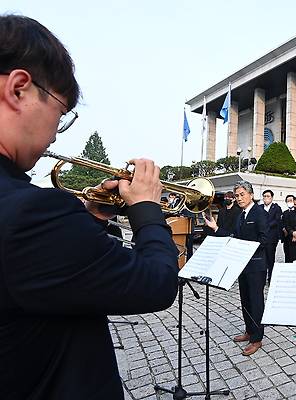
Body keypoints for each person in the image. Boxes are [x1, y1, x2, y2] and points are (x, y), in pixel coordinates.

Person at [0, 15, 179, 400]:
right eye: (60, 115)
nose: (54, 133)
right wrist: (147, 208)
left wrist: (94, 217)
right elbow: (158, 283)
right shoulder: (32, 214)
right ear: (19, 89)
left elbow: (44, 275)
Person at [204, 181, 267, 356]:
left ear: (251, 195)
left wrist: (246, 247)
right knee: (245, 300)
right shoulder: (241, 215)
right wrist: (215, 228)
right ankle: (249, 331)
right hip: (242, 265)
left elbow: (266, 239)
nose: (239, 198)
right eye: (237, 195)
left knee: (255, 302)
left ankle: (257, 339)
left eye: (242, 195)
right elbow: (234, 237)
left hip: (256, 265)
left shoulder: (259, 213)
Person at [259, 189, 282, 283]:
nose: (266, 198)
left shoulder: (276, 208)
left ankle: (271, 278)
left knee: (270, 258)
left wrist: (265, 225)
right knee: (262, 259)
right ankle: (262, 278)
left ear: (272, 198)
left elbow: (276, 221)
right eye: (264, 196)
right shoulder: (259, 207)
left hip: (271, 238)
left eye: (268, 196)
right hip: (261, 238)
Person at [281, 194, 295, 262]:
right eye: (288, 201)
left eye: (291, 200)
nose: (289, 202)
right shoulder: (284, 213)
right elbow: (282, 223)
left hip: (294, 238)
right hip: (286, 239)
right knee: (287, 256)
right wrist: (283, 228)